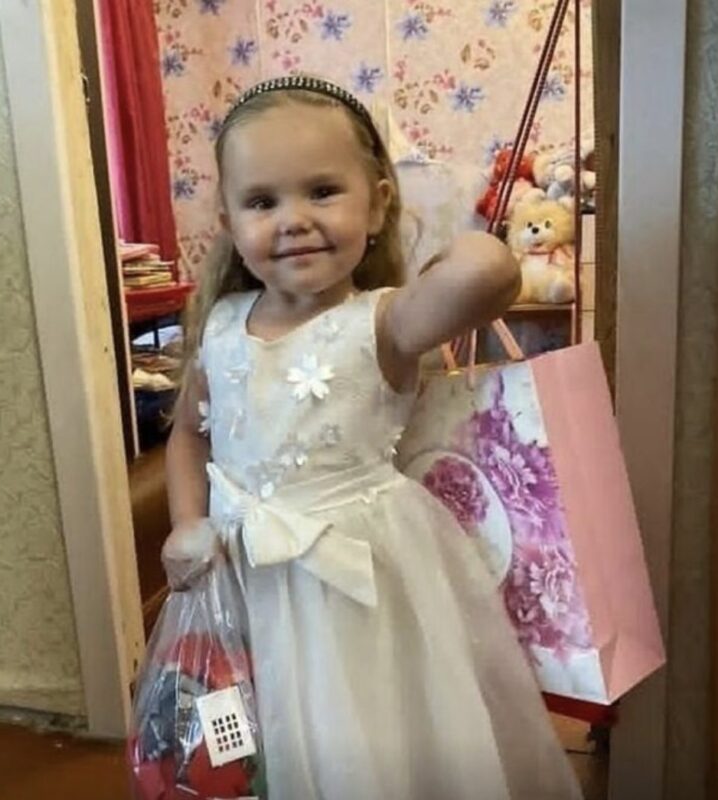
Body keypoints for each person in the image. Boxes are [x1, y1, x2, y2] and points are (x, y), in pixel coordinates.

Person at [162, 74, 582, 800]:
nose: (294, 220)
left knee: (358, 739)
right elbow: (189, 438)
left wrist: (432, 244)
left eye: (323, 191)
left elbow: (490, 271)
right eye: (262, 202)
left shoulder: (385, 322)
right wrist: (185, 523)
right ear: (228, 222)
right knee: (253, 742)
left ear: (378, 202)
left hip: (353, 581)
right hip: (238, 571)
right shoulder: (223, 325)